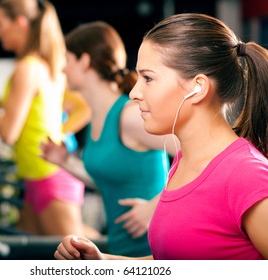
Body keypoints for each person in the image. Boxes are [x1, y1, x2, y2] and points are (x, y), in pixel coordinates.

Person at [53, 13, 268, 260]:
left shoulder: (247, 176)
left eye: (148, 78)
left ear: (197, 88)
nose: (135, 92)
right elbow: (171, 261)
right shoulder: (183, 162)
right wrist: (103, 262)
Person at [40, 21, 177, 257]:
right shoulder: (98, 117)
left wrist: (156, 205)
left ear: (84, 61)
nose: (62, 69)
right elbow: (106, 179)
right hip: (120, 248)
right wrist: (64, 161)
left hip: (153, 250)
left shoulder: (130, 116)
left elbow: (199, 152)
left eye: (67, 59)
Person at [0, 0, 99, 238]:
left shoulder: (27, 68)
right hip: (36, 177)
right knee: (31, 254)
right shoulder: (40, 64)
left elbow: (8, 134)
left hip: (49, 177)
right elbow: (36, 114)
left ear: (19, 23)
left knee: (78, 260)